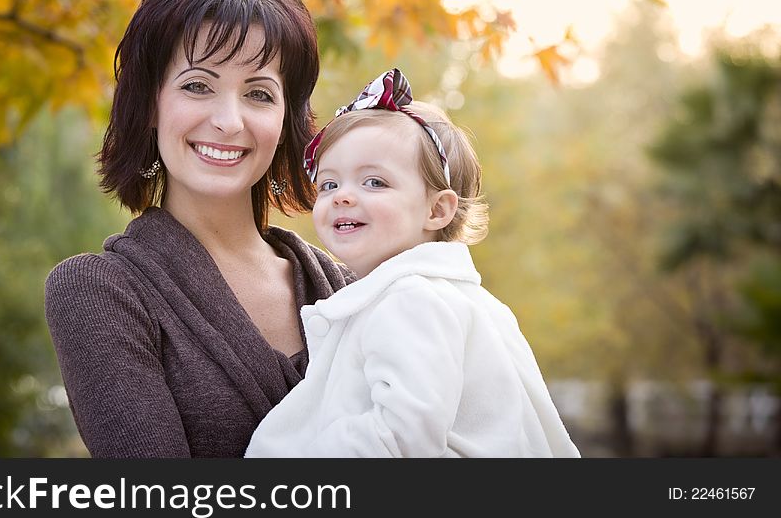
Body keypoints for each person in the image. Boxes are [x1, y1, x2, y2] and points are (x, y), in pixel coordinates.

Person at [44, 0, 353, 457]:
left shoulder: (354, 288)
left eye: (258, 93)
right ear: (151, 103)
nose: (229, 121)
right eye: (197, 85)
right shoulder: (100, 292)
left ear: (285, 120)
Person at [246, 69, 580, 457]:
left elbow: (403, 436)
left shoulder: (411, 300)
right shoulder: (464, 299)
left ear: (437, 210)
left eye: (374, 182)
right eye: (329, 184)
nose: (342, 197)